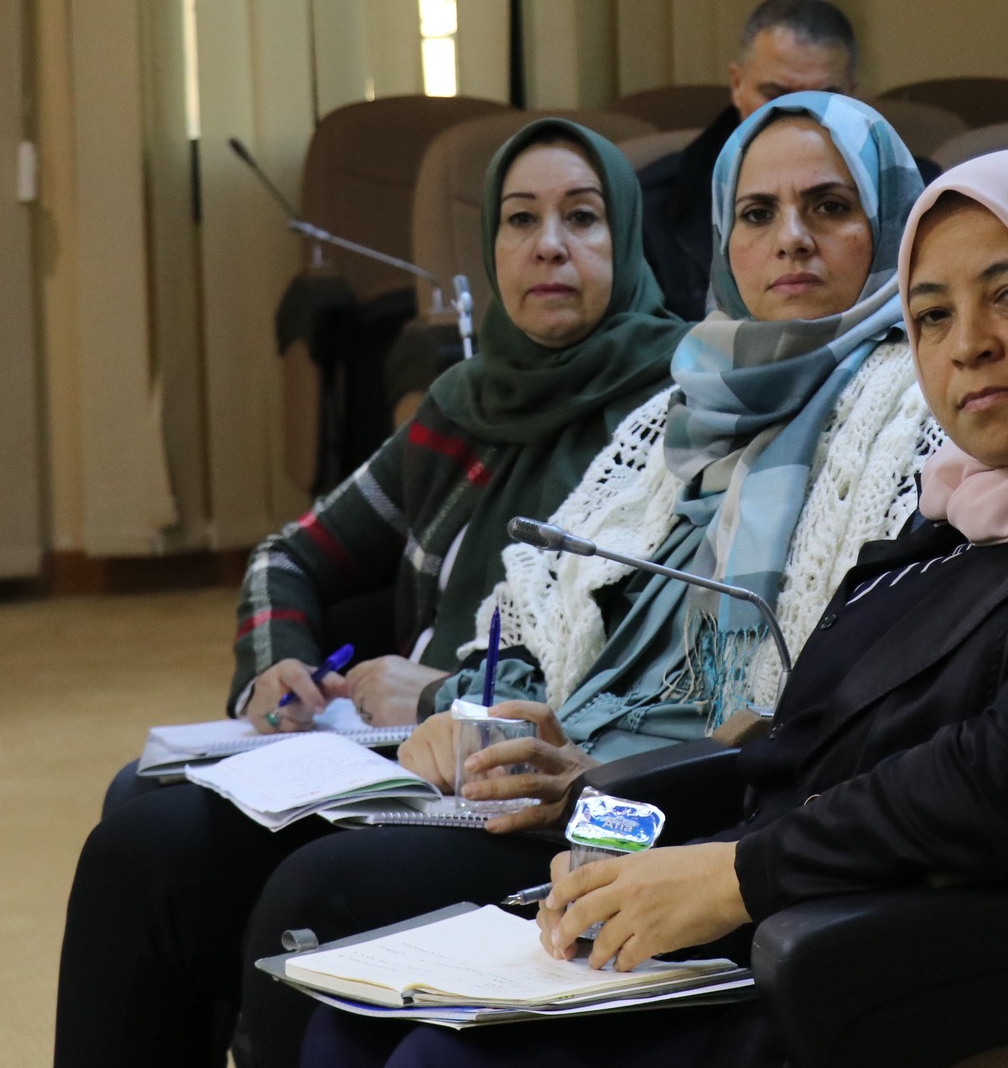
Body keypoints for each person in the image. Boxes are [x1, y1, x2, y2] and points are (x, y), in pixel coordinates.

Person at [282, 146, 1008, 1068]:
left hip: (936, 960)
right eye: (931, 314)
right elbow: (795, 750)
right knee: (351, 1026)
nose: (966, 344)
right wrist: (601, 811)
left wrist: (733, 878)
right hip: (822, 912)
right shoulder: (972, 507)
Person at [233, 94, 940, 1067]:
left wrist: (592, 786)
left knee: (327, 897)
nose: (790, 239)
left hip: (669, 813)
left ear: (892, 223)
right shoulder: (687, 403)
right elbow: (539, 601)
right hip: (563, 780)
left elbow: (822, 725)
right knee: (322, 970)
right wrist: (481, 713)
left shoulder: (913, 414)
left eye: (828, 206)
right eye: (756, 212)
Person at [53, 119, 691, 1068]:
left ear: (626, 240)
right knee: (134, 842)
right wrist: (279, 663)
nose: (549, 245)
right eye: (520, 219)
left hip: (512, 782)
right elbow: (291, 554)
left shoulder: (675, 415)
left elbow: (619, 668)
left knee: (235, 872)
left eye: (582, 218)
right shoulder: (467, 402)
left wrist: (439, 695)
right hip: (385, 754)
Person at [638, 0, 858, 319]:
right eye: (775, 96)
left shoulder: (910, 195)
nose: (796, 115)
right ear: (737, 84)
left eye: (822, 99)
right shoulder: (652, 207)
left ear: (852, 96)